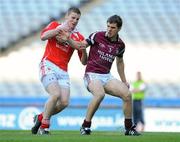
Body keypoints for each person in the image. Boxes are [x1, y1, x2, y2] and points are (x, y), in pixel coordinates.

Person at [77, 15, 141, 136]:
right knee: (99, 94)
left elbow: (120, 62)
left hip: (106, 76)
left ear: (119, 29)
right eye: (108, 26)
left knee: (127, 95)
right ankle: (85, 126)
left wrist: (124, 81)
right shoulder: (96, 36)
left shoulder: (120, 45)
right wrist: (69, 40)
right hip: (92, 74)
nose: (109, 29)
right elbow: (81, 45)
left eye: (113, 27)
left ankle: (129, 128)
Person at [31, 7, 87, 135]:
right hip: (48, 64)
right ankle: (44, 126)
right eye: (72, 18)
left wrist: (83, 48)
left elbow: (84, 62)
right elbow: (43, 36)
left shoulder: (78, 37)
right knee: (55, 94)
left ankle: (40, 117)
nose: (74, 21)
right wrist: (58, 31)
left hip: (63, 70)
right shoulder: (55, 25)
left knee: (64, 102)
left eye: (77, 19)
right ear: (67, 16)